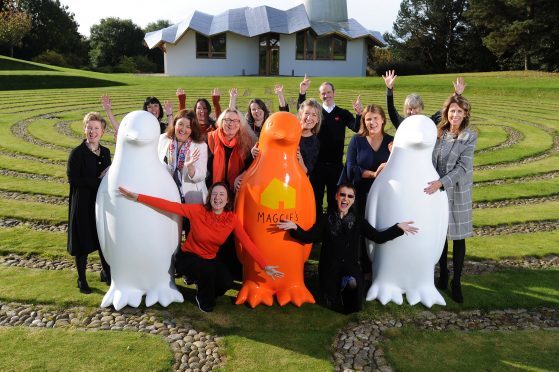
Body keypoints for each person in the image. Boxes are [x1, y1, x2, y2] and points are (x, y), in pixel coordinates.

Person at [118, 182, 284, 312]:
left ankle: (203, 286)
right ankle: (204, 300)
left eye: (222, 195)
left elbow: (247, 242)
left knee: (226, 281)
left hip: (209, 259)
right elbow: (169, 206)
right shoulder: (198, 211)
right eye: (214, 194)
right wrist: (138, 196)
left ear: (227, 200)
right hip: (188, 257)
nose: (217, 198)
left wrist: (265, 265)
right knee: (207, 276)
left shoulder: (231, 220)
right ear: (209, 197)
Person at [276, 183, 418, 314]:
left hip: (350, 267)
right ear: (336, 196)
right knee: (332, 303)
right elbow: (309, 237)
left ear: (354, 200)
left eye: (350, 196)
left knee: (353, 300)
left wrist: (397, 228)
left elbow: (378, 237)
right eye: (342, 195)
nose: (345, 199)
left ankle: (349, 284)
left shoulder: (358, 220)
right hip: (329, 268)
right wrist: (295, 228)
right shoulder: (326, 219)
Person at [424, 94, 477, 303]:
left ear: (465, 115)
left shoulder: (469, 136)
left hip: (457, 192)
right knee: (442, 235)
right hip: (439, 194)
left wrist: (441, 182)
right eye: (452, 111)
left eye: (460, 112)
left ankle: (456, 282)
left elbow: (463, 167)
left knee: (459, 237)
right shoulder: (439, 133)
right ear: (447, 112)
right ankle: (443, 273)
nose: (455, 115)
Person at [297, 74, 361, 215]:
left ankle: (332, 229)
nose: (326, 95)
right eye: (323, 93)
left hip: (336, 166)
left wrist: (358, 114)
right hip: (317, 165)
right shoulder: (317, 113)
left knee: (334, 200)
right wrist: (302, 93)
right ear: (320, 96)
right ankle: (315, 227)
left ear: (334, 93)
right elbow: (302, 113)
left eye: (328, 92)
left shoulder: (342, 113)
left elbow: (356, 127)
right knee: (315, 199)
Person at [67, 112, 111, 294]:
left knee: (103, 240)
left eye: (96, 128)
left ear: (102, 132)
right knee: (82, 242)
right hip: (82, 204)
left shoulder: (106, 152)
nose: (92, 132)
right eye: (89, 128)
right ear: (84, 129)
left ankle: (107, 273)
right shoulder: (77, 153)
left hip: (101, 205)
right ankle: (81, 279)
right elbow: (74, 179)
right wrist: (98, 180)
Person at [382, 70, 466, 129]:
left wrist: (457, 94)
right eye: (409, 109)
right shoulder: (400, 123)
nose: (412, 112)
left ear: (421, 108)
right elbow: (391, 109)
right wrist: (389, 89)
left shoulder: (428, 123)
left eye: (415, 108)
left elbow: (445, 110)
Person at [158, 109, 208, 205]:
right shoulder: (163, 139)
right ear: (175, 123)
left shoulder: (200, 146)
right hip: (167, 195)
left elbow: (201, 176)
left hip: (191, 198)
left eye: (188, 126)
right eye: (180, 124)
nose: (183, 129)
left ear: (193, 129)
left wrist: (190, 167)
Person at [206, 108, 256, 193]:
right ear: (222, 122)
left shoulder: (247, 142)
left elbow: (250, 168)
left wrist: (240, 177)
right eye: (228, 120)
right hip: (212, 192)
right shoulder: (209, 139)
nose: (231, 123)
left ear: (240, 124)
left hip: (236, 192)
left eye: (236, 120)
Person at [101, 94, 173, 136]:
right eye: (149, 107)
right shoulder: (140, 126)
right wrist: (108, 110)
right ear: (145, 110)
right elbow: (121, 130)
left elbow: (171, 132)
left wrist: (170, 114)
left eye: (155, 105)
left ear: (160, 108)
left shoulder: (163, 127)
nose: (153, 109)